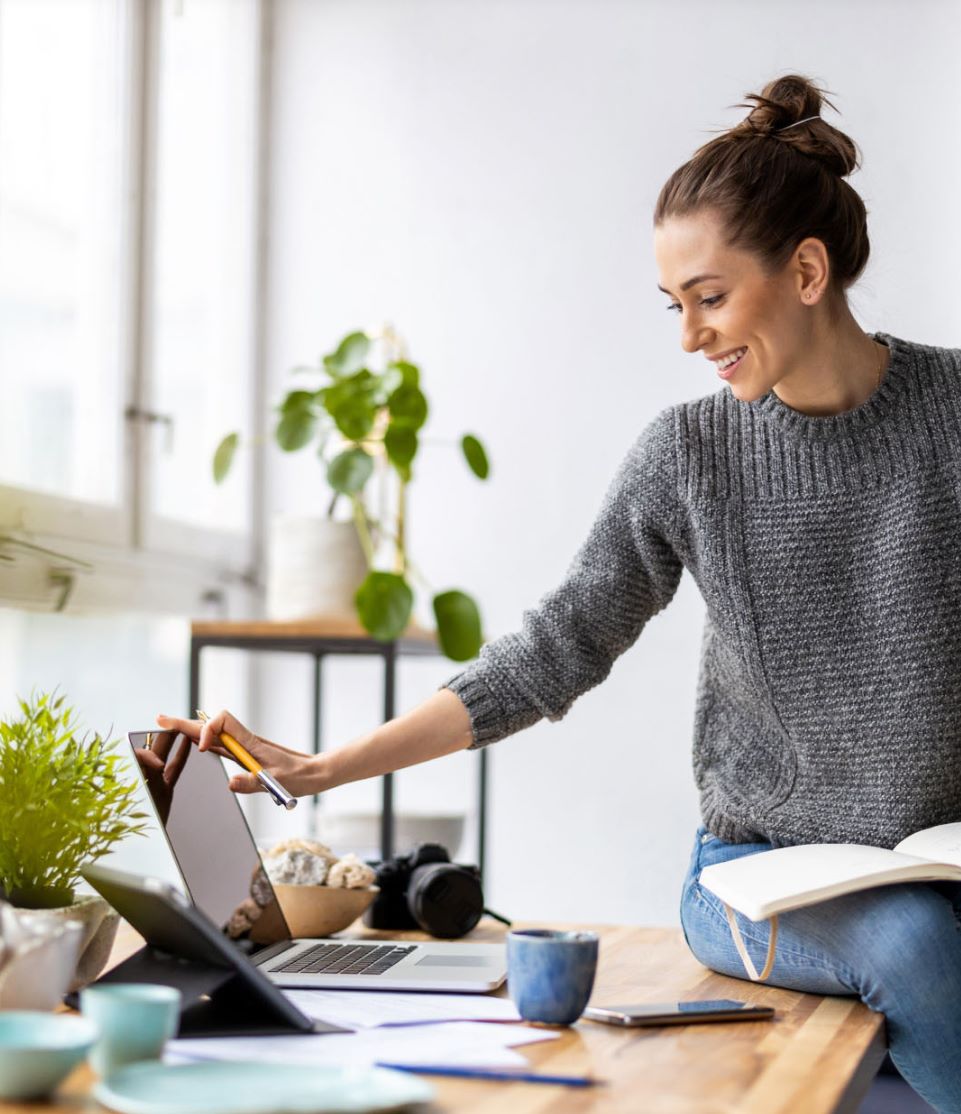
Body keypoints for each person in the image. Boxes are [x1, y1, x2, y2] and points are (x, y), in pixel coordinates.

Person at [160, 73, 961, 1111]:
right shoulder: (689, 454)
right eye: (675, 306)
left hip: (936, 857)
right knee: (915, 945)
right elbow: (553, 650)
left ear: (806, 269)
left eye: (710, 299)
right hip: (758, 878)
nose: (689, 337)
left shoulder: (949, 414)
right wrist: (319, 770)